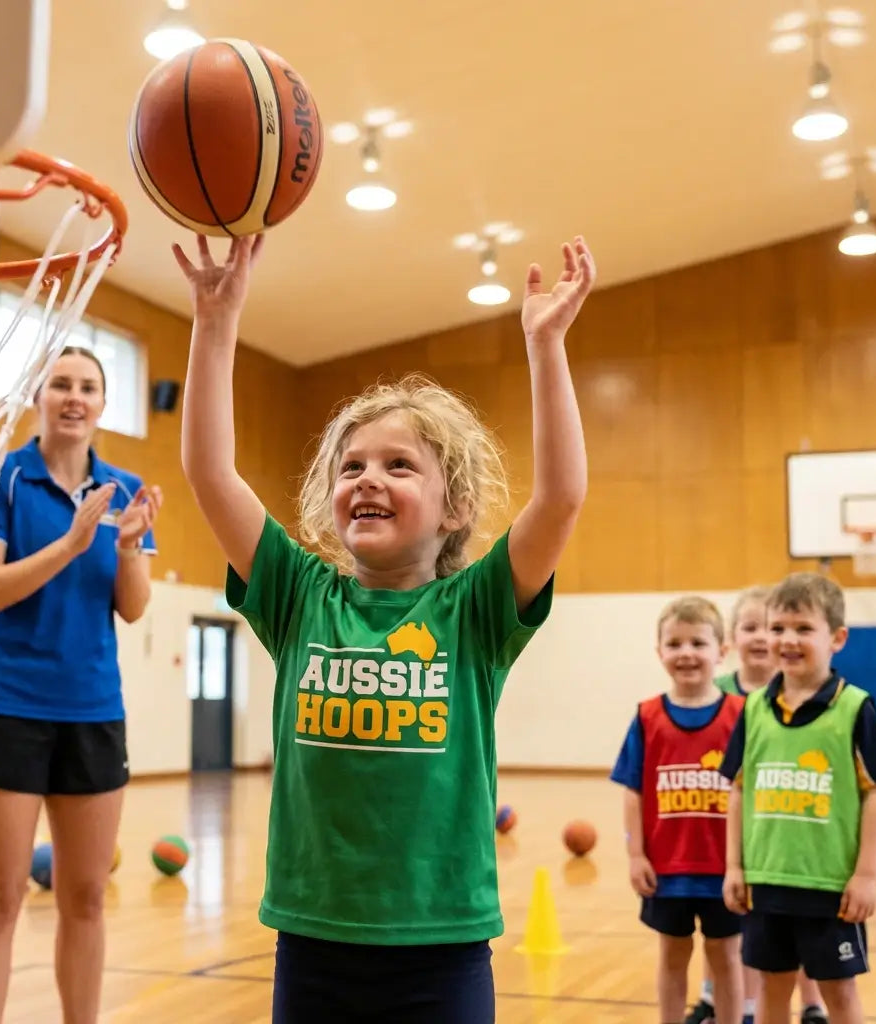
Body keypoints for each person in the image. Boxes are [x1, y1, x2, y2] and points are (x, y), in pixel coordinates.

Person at [173, 231, 594, 1022]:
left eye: (400, 465)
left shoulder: (474, 611)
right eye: (351, 465)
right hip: (313, 935)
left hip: (442, 942)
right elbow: (208, 470)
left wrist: (545, 347)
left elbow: (561, 498)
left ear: (455, 507)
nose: (368, 477)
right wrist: (215, 322)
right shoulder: (298, 594)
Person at [0, 345, 162, 1024]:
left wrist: (126, 546)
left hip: (93, 712)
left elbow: (132, 607)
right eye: (61, 384)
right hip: (5, 708)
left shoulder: (123, 491)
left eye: (89, 388)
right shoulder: (2, 480)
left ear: (103, 405)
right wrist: (71, 544)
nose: (74, 397)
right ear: (39, 395)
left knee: (88, 900)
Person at [721, 572, 876, 1024]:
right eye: (777, 628)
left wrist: (867, 876)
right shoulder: (753, 708)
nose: (787, 640)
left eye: (802, 629)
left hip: (830, 888)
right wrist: (735, 866)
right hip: (766, 881)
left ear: (836, 638)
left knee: (839, 993)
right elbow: (737, 790)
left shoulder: (856, 708)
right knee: (773, 989)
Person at [687, 586, 827, 1024]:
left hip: (783, 820)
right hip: (727, 824)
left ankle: (812, 1003)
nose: (761, 637)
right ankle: (716, 996)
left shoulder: (798, 691)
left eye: (769, 627)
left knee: (795, 922)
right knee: (724, 923)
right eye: (750, 627)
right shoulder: (720, 693)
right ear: (732, 638)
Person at [611, 596, 745, 1024]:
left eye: (698, 643)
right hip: (667, 870)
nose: (686, 653)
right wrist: (635, 855)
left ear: (722, 652)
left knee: (725, 957)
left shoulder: (741, 715)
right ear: (660, 652)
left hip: (725, 870)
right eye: (675, 643)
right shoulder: (647, 717)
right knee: (672, 955)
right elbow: (632, 791)